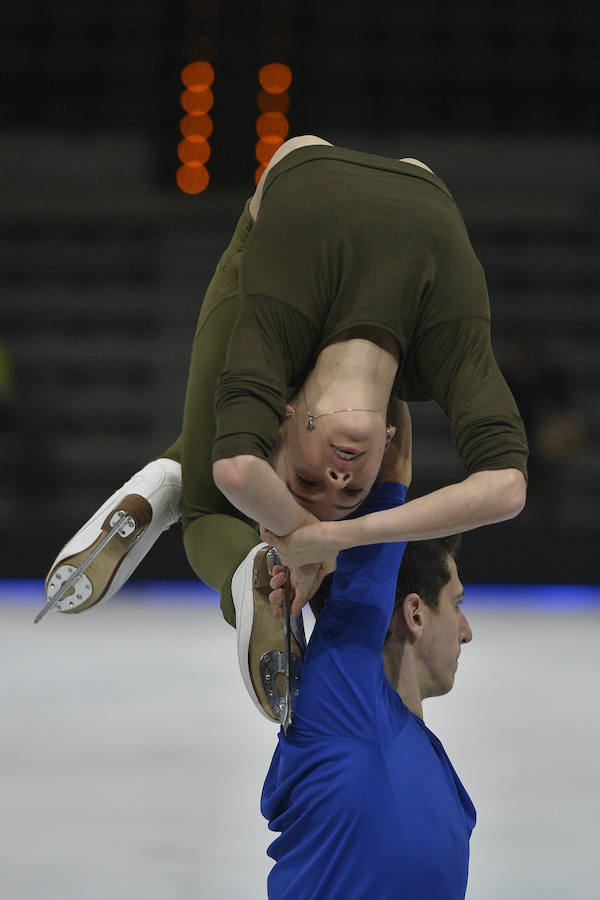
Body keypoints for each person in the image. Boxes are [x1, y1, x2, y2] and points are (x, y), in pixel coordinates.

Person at [43, 135, 527, 719]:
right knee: (216, 484)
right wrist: (327, 537)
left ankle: (184, 483)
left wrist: (312, 538)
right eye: (352, 491)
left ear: (282, 413)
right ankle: (178, 483)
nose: (336, 477)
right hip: (415, 194)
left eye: (308, 480)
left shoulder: (277, 324)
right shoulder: (442, 347)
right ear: (392, 442)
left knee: (211, 502)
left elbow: (238, 467)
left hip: (299, 191)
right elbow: (507, 488)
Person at [263, 509, 475, 899]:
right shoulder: (347, 704)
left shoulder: (427, 759)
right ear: (414, 614)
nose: (466, 632)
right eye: (456, 604)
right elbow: (385, 501)